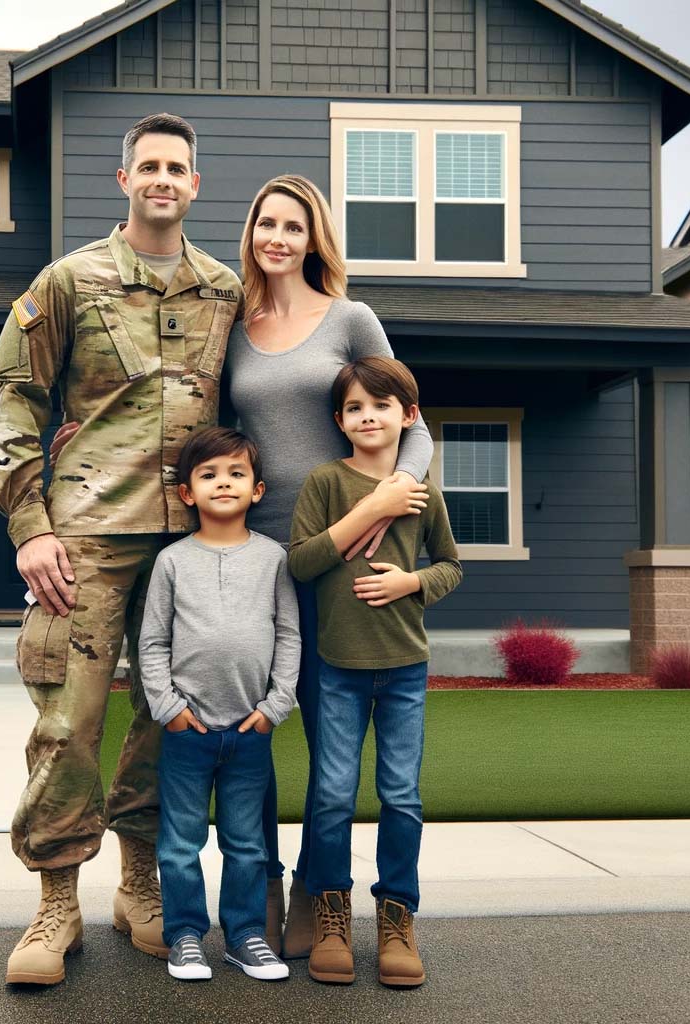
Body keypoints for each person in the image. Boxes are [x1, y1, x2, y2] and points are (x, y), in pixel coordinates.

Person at [49, 173, 434, 955]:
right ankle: (258, 886)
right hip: (256, 560)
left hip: (343, 555)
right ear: (252, 233)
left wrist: (386, 500)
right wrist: (79, 434)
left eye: (295, 226)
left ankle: (320, 896)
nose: (278, 238)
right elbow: (200, 422)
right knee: (244, 729)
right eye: (266, 224)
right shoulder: (236, 324)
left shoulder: (352, 318)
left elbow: (412, 423)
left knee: (332, 752)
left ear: (314, 237)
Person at [0, 112, 242, 986]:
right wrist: (30, 528)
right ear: (123, 179)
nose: (163, 179)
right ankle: (57, 903)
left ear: (195, 184)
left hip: (194, 543)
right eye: (149, 166)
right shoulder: (68, 280)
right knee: (68, 724)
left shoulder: (225, 288)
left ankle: (141, 886)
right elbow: (16, 401)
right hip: (85, 541)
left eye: (178, 166)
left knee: (171, 722)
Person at [288, 356, 462, 988]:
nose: (368, 416)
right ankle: (332, 914)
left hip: (405, 670)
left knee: (401, 796)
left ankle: (397, 916)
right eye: (355, 408)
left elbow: (450, 565)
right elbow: (301, 562)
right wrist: (359, 520)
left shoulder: (423, 492)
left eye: (382, 406)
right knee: (332, 794)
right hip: (338, 667)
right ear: (340, 421)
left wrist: (411, 581)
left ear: (407, 416)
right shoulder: (325, 483)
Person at [139, 426, 300, 982]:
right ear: (188, 493)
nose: (223, 483)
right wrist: (170, 709)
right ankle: (185, 936)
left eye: (236, 473)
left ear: (257, 490)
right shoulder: (173, 562)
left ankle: (246, 936)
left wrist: (275, 707)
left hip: (251, 729)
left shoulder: (274, 558)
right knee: (181, 842)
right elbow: (153, 642)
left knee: (246, 843)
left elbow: (289, 636)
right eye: (209, 474)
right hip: (187, 731)